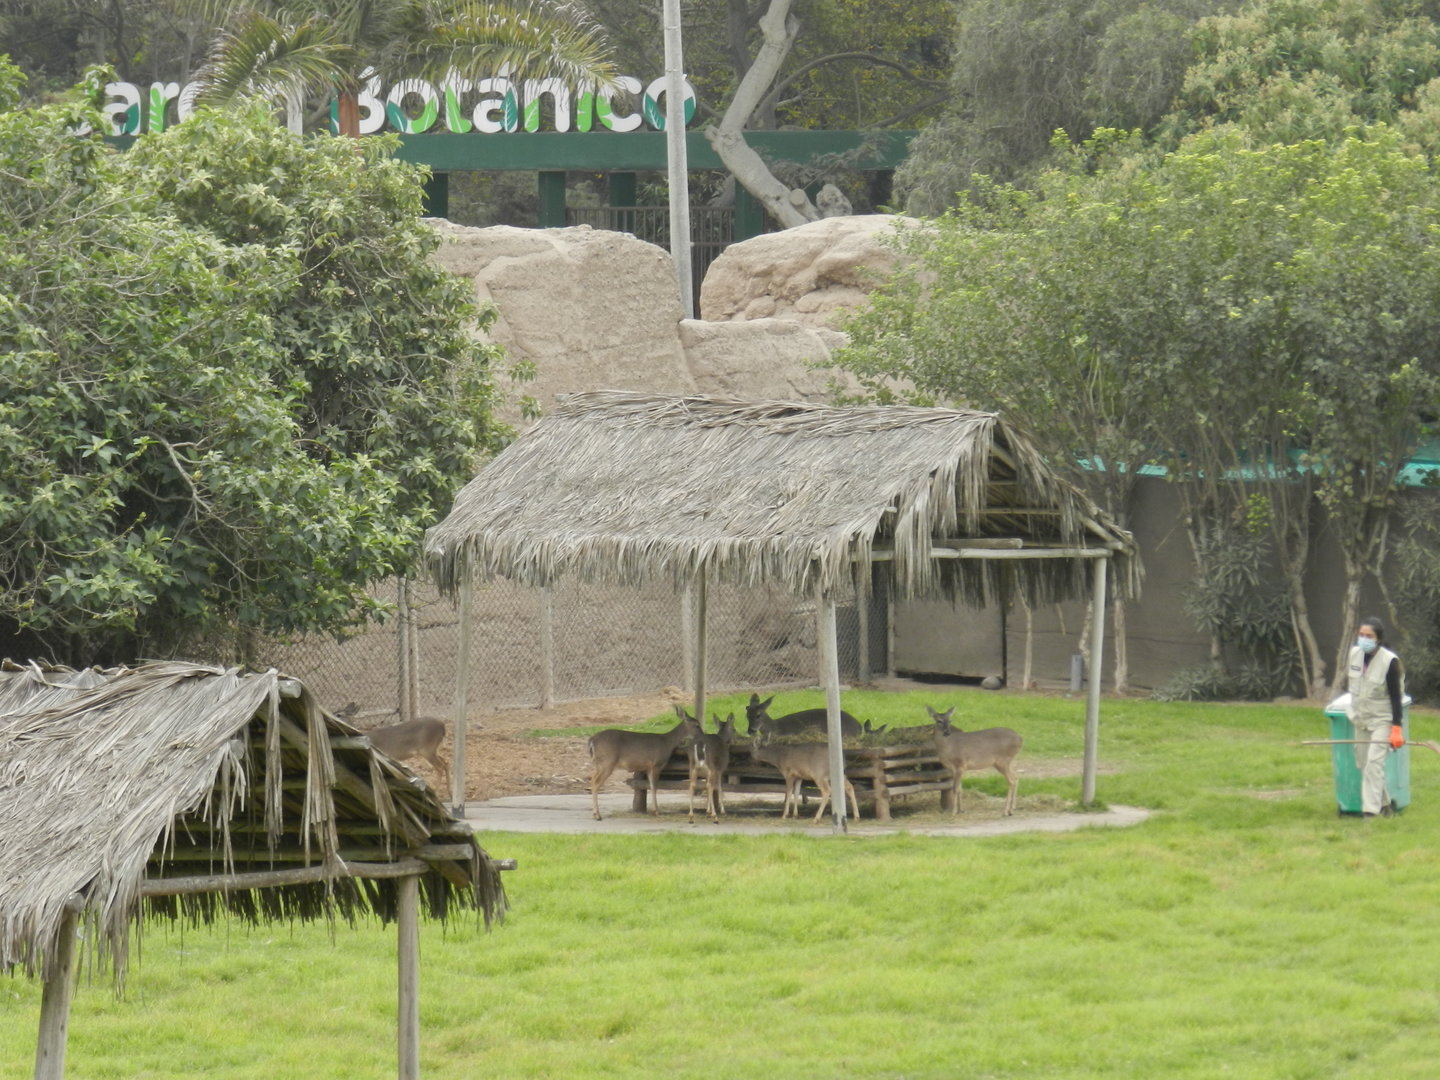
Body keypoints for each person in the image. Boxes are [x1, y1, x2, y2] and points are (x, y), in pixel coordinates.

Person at [1345, 616, 1406, 818]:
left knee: (1374, 763)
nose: (1364, 639)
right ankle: (1385, 805)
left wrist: (1396, 728)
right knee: (1364, 763)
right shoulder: (1354, 654)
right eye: (1361, 635)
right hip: (1361, 718)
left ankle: (1370, 813)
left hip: (1383, 720)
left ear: (1378, 639)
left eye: (1368, 636)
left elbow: (1396, 698)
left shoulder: (1390, 662)